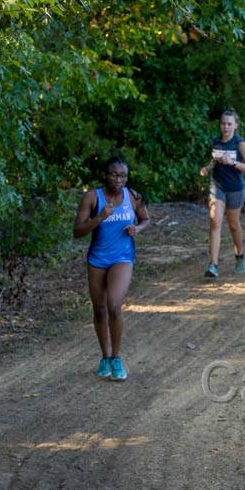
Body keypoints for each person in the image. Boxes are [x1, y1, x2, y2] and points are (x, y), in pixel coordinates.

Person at [72, 156, 150, 382]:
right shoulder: (92, 197)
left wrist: (138, 228)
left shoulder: (133, 196)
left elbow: (145, 219)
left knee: (114, 305)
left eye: (123, 175)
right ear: (105, 175)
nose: (118, 179)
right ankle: (104, 357)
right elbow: (77, 231)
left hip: (123, 257)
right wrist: (99, 217)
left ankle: (117, 358)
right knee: (99, 309)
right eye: (114, 175)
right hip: (97, 259)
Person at [198, 108, 245, 278]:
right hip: (217, 186)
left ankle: (239, 255)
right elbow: (214, 161)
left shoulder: (240, 143)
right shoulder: (216, 142)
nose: (225, 127)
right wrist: (207, 168)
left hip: (235, 189)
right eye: (223, 123)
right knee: (215, 222)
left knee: (233, 225)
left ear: (235, 125)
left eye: (229, 124)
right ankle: (213, 264)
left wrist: (233, 162)